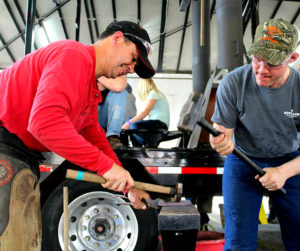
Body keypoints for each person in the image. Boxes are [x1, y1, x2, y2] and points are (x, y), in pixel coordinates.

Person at [0, 20, 155, 250]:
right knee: (11, 240)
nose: (131, 68)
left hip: (22, 154)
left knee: (29, 241)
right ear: (117, 39)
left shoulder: (88, 89)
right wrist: (104, 167)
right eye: (133, 58)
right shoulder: (74, 56)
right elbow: (44, 123)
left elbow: (95, 138)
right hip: (5, 145)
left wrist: (127, 188)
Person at [209, 19, 300, 251]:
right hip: (243, 162)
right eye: (257, 59)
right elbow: (223, 132)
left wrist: (282, 172)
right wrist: (220, 140)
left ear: (292, 58)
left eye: (272, 63)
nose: (261, 70)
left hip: (290, 163)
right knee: (238, 242)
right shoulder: (233, 83)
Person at [122, 78, 170, 146]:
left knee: (132, 125)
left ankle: (144, 144)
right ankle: (137, 147)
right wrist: (129, 122)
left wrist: (128, 123)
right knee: (129, 120)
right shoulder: (157, 93)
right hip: (157, 124)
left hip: (160, 124)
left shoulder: (153, 93)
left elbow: (144, 112)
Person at [98, 76, 137, 148]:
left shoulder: (117, 71)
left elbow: (118, 86)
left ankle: (112, 136)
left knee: (119, 92)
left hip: (107, 118)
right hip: (86, 114)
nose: (131, 71)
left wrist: (99, 78)